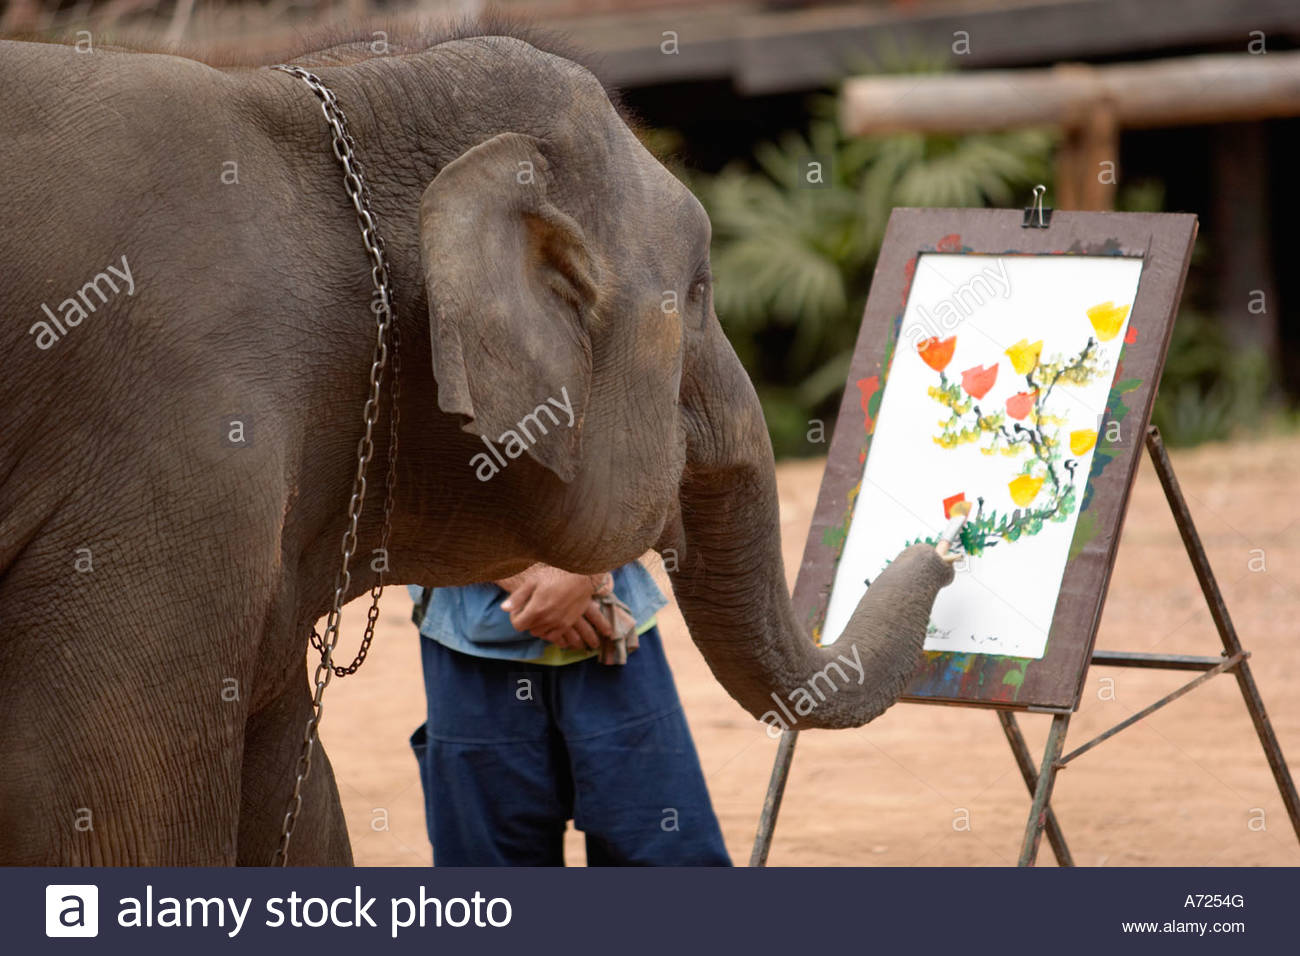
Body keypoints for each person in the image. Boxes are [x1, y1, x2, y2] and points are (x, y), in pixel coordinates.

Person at [408, 560, 732, 866]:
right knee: (488, 895)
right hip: (470, 650)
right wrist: (537, 576)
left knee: (669, 865)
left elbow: (664, 500)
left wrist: (585, 575)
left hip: (614, 641)